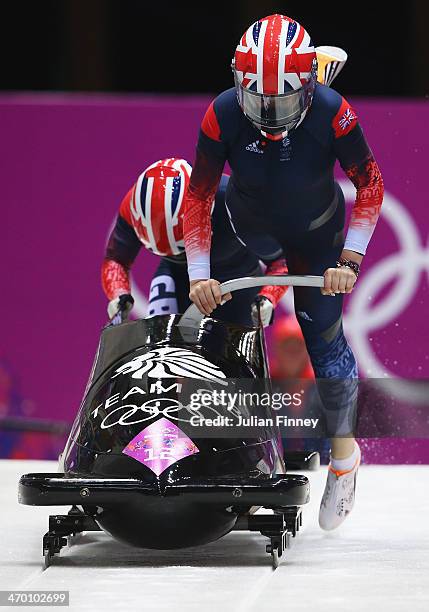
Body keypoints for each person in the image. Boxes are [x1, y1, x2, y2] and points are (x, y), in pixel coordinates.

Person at [182, 14, 384, 530]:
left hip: (317, 237)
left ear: (310, 88)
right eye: (258, 101)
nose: (269, 115)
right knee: (227, 334)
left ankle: (344, 457)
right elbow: (200, 195)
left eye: (283, 101)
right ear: (238, 85)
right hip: (249, 229)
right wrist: (199, 272)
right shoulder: (221, 113)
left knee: (322, 340)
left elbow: (370, 184)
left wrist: (350, 259)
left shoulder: (333, 112)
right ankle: (233, 455)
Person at [101, 157, 288, 327]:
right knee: (158, 341)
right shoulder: (132, 207)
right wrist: (118, 294)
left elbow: (281, 260)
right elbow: (116, 260)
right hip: (175, 278)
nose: (183, 256)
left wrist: (268, 297)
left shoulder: (235, 204)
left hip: (238, 285)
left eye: (184, 247)